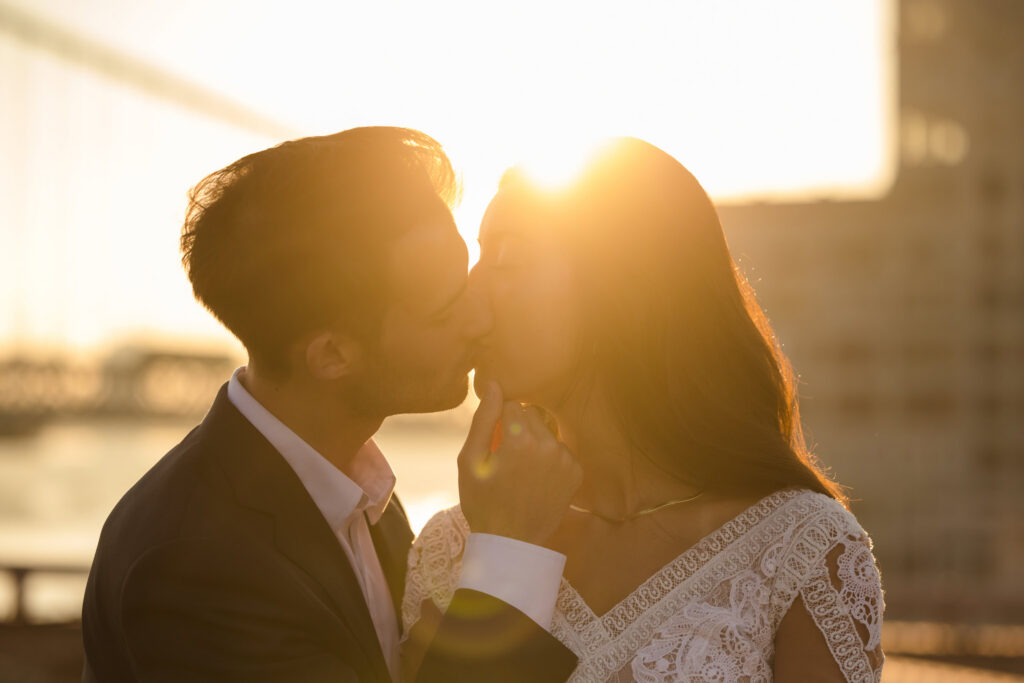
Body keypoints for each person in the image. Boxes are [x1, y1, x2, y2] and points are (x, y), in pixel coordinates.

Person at [81, 127, 581, 682]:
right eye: (444, 309)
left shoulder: (361, 495)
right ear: (333, 355)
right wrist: (507, 555)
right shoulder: (192, 566)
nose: (480, 317)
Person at [402, 138, 885, 682]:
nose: (471, 294)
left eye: (506, 258)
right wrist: (505, 556)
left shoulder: (801, 550)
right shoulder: (453, 546)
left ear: (621, 284)